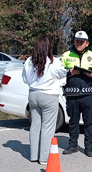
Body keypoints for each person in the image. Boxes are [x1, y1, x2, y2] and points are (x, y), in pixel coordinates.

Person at [23, 35, 69, 164]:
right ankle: (43, 158)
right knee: (47, 127)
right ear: (49, 47)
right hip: (49, 96)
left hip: (33, 95)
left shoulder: (29, 61)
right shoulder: (54, 62)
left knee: (35, 125)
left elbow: (25, 79)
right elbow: (63, 73)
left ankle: (33, 155)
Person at [60, 30, 92, 157]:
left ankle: (89, 147)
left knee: (88, 123)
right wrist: (70, 72)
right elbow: (58, 72)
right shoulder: (66, 55)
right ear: (74, 42)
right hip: (71, 95)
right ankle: (72, 145)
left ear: (87, 43)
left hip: (88, 95)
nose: (79, 43)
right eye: (77, 41)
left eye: (81, 41)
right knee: (73, 122)